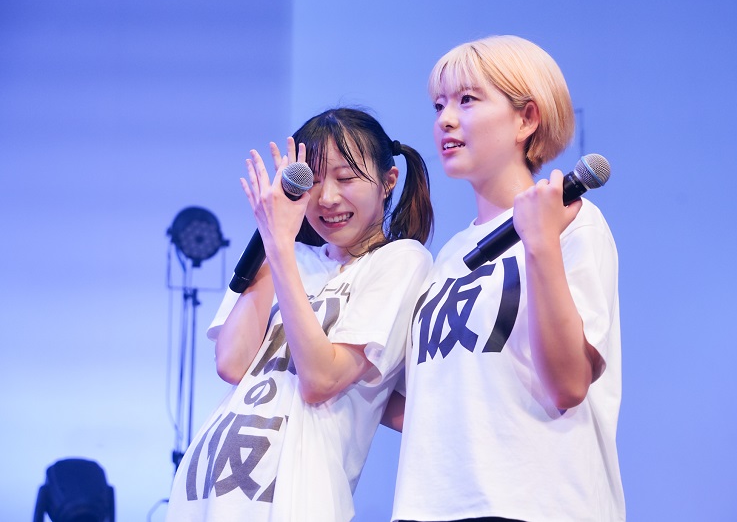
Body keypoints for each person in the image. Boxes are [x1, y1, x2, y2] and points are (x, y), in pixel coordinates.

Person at [392, 35, 624, 521]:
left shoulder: (574, 223)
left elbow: (568, 384)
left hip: (536, 505)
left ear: (526, 119)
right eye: (438, 105)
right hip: (432, 506)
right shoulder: (447, 258)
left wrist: (540, 243)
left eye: (467, 100)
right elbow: (431, 401)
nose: (445, 119)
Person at [166, 107, 434, 521]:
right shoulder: (291, 255)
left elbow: (320, 380)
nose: (327, 198)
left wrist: (279, 250)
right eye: (314, 180)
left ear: (388, 181)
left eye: (346, 178)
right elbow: (232, 364)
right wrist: (277, 242)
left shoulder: (400, 260)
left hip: (294, 499)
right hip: (207, 493)